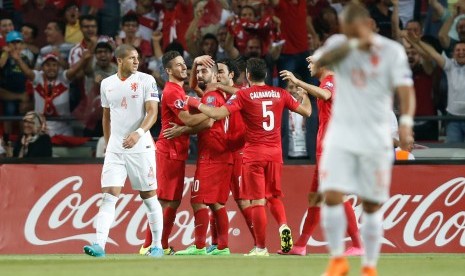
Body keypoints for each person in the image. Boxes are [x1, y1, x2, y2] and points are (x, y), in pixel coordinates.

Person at [311, 3, 415, 275]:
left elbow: (406, 90)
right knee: (331, 194)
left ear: (369, 25)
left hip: (375, 135)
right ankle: (338, 260)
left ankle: (369, 265)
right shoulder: (339, 44)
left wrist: (405, 123)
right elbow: (320, 59)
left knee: (370, 203)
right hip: (341, 132)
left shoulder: (392, 52)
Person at [185, 58, 313, 256]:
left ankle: (260, 247)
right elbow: (306, 111)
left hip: (253, 154)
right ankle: (283, 225)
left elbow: (218, 115)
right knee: (274, 196)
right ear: (267, 75)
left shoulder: (245, 95)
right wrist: (304, 95)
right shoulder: (281, 93)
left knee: (257, 201)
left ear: (249, 76)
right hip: (276, 154)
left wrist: (193, 102)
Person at [83, 44, 164, 258]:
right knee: (109, 196)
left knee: (148, 196)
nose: (137, 61)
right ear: (119, 60)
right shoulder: (107, 84)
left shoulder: (147, 80)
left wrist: (137, 133)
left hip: (141, 146)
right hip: (116, 149)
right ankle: (99, 244)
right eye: (132, 58)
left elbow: (153, 112)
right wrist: (110, 144)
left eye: (137, 58)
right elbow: (106, 116)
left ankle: (157, 246)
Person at [278, 58, 363, 256]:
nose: (308, 66)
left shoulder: (330, 80)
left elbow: (325, 94)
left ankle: (359, 245)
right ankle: (300, 245)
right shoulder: (330, 81)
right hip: (325, 147)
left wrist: (298, 82)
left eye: (312, 63)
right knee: (316, 199)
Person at [151, 51, 214, 255]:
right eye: (178, 65)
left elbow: (189, 125)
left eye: (184, 64)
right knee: (164, 200)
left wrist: (195, 63)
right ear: (168, 70)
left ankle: (160, 244)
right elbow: (187, 120)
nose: (183, 67)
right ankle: (152, 245)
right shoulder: (171, 92)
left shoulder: (180, 91)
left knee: (173, 201)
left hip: (176, 150)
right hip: (168, 150)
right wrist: (210, 112)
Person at [174, 56, 232, 256]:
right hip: (221, 155)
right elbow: (192, 86)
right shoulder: (215, 95)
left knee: (198, 200)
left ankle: (199, 247)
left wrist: (182, 129)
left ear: (215, 75)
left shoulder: (209, 97)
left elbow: (207, 123)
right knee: (216, 202)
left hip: (211, 156)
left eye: (204, 71)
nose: (199, 75)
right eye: (198, 71)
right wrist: (197, 62)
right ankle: (222, 247)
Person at [404, 33, 465, 143]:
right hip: (453, 120)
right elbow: (433, 54)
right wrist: (418, 41)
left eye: (464, 50)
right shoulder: (450, 66)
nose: (461, 52)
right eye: (458, 50)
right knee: (453, 156)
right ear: (453, 53)